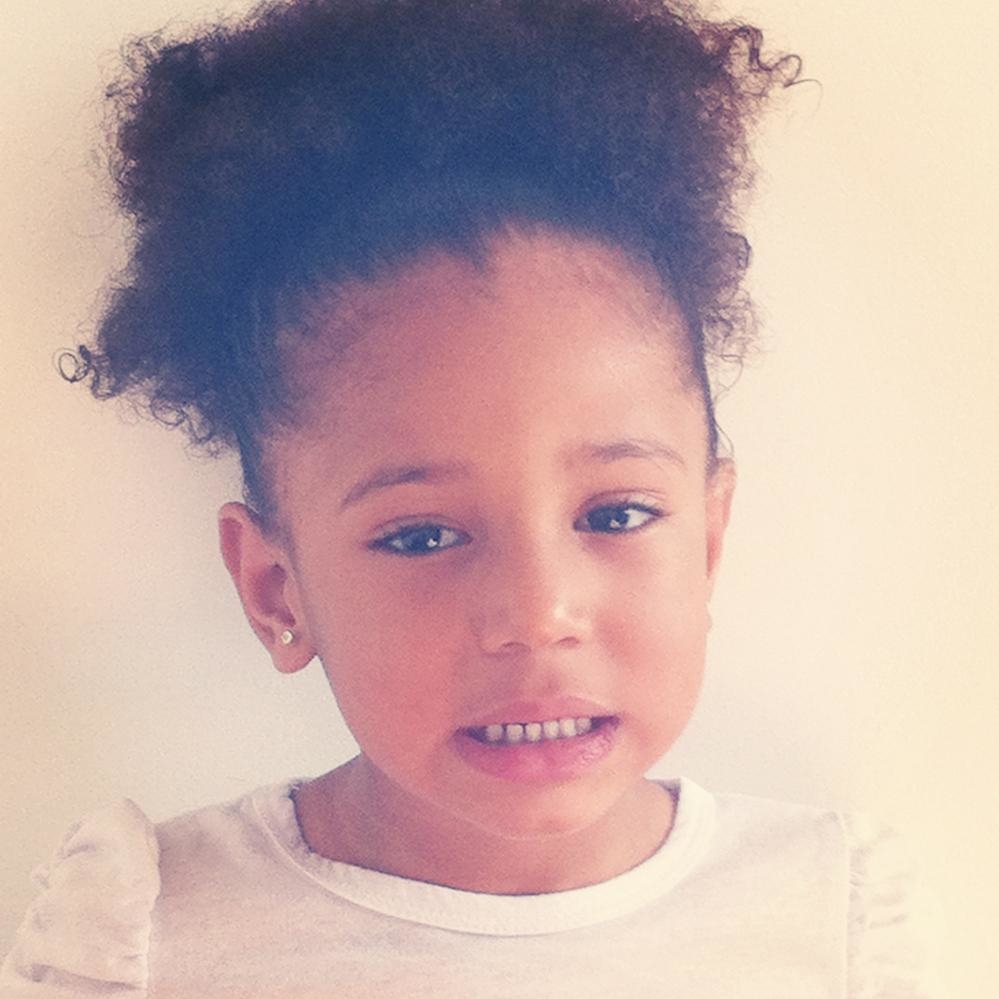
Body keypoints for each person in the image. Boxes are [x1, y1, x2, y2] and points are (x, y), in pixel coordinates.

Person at [0, 0, 937, 995]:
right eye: (422, 535)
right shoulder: (149, 938)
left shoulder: (829, 919)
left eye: (616, 515)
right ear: (276, 590)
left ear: (707, 541)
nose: (538, 612)